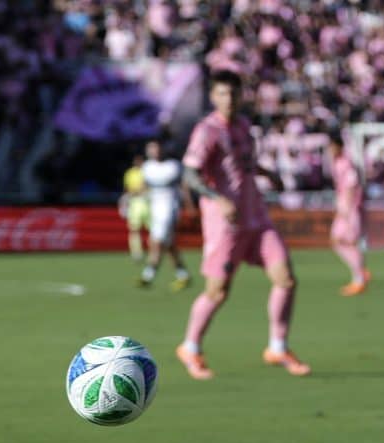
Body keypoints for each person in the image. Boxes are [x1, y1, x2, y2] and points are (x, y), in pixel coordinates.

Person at [176, 70, 310, 379]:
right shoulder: (207, 131)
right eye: (223, 93)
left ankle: (278, 346)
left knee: (286, 279)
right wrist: (217, 198)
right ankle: (190, 347)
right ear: (213, 97)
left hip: (256, 216)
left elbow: (242, 162)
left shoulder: (244, 126)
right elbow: (190, 174)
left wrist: (266, 173)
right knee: (217, 291)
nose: (229, 99)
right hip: (226, 223)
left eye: (234, 93)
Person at [138, 139, 192, 291]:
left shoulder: (173, 166)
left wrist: (189, 205)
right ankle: (183, 274)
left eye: (156, 148)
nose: (154, 151)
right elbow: (144, 187)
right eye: (151, 148)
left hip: (170, 208)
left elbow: (184, 186)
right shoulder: (147, 167)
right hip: (154, 209)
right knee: (168, 244)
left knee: (157, 241)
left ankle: (148, 274)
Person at [328, 131, 370, 296]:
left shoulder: (346, 163)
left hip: (349, 209)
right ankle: (360, 272)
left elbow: (352, 185)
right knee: (340, 241)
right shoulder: (337, 163)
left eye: (332, 146)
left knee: (346, 242)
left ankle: (359, 278)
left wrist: (347, 208)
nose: (330, 150)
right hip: (345, 208)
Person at [118, 153, 149, 262]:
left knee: (153, 230)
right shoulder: (129, 173)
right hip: (135, 203)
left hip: (148, 202)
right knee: (134, 229)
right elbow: (127, 189)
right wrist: (124, 201)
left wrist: (140, 190)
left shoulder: (148, 171)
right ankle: (137, 253)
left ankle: (154, 250)